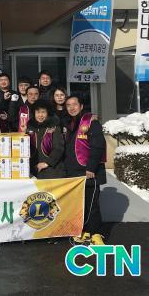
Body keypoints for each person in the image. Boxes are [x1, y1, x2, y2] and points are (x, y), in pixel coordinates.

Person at [64, 95, 107, 245]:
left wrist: (91, 167)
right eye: (68, 105)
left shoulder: (91, 122)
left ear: (81, 106)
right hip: (74, 172)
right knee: (79, 205)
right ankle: (84, 231)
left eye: (74, 104)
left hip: (89, 171)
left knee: (92, 204)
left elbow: (98, 146)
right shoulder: (69, 123)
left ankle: (96, 234)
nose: (71, 107)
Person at [26, 100, 65, 179]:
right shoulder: (30, 128)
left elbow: (58, 148)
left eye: (43, 112)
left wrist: (47, 163)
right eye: (38, 112)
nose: (40, 115)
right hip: (34, 170)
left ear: (48, 113)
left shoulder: (54, 127)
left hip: (52, 170)